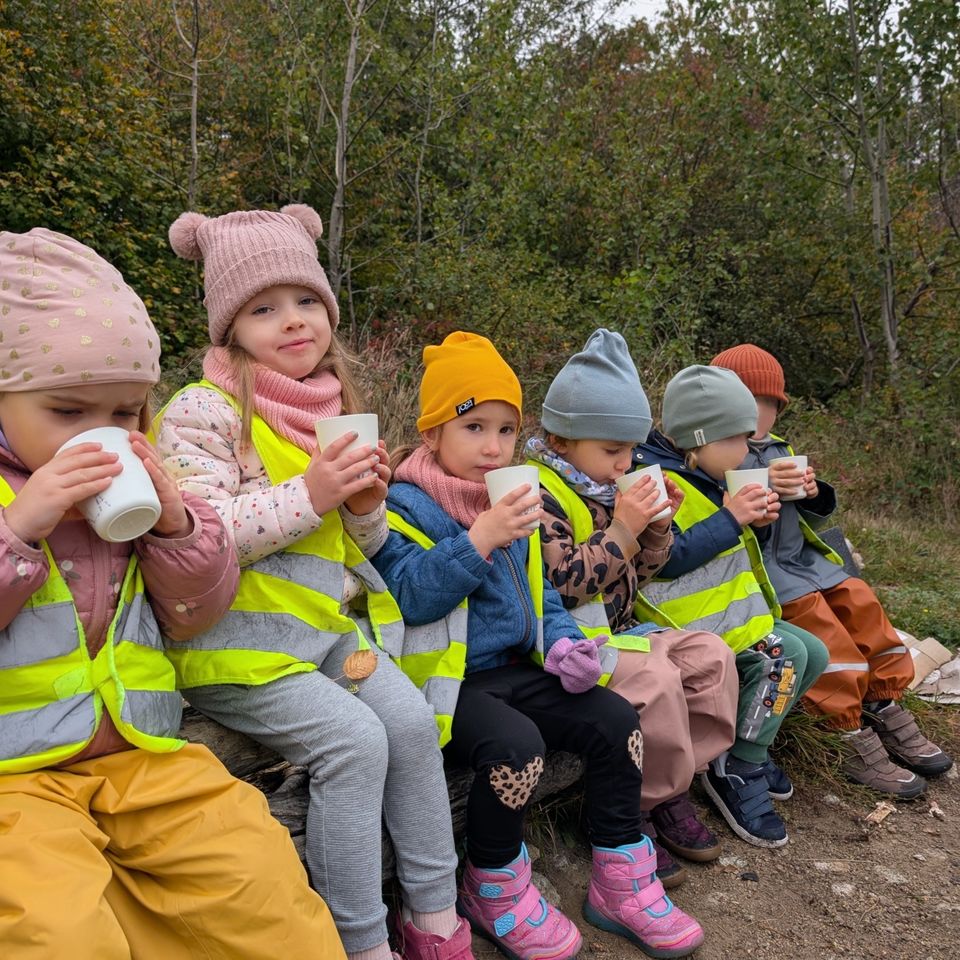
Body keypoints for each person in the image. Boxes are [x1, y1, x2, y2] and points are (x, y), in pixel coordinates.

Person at [0, 227, 344, 959]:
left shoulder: (143, 481)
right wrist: (22, 529)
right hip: (13, 778)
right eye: (69, 412)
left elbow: (196, 611)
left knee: (259, 882)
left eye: (125, 414)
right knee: (55, 930)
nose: (104, 435)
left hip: (142, 754)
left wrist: (178, 526)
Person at [155, 205, 470, 960]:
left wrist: (365, 511)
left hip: (326, 639)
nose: (292, 321)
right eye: (263, 308)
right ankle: (360, 943)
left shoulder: (334, 408)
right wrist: (315, 494)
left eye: (306, 302)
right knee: (356, 742)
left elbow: (352, 544)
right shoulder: (204, 410)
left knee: (412, 723)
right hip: (235, 652)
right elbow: (200, 536)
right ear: (230, 326)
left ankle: (434, 919)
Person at [371, 331, 704, 960]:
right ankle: (491, 884)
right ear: (432, 433)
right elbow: (411, 596)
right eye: (473, 428)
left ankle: (620, 876)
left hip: (516, 668)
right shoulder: (400, 505)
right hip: (445, 680)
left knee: (614, 718)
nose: (493, 447)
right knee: (516, 747)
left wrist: (563, 642)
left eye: (504, 429)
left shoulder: (512, 494)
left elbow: (541, 595)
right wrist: (478, 540)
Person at [527, 329, 738, 887]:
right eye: (612, 451)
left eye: (632, 451)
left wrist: (655, 532)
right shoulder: (539, 492)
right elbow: (567, 585)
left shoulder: (605, 486)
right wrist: (624, 526)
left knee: (710, 658)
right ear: (559, 439)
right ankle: (634, 808)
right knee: (659, 678)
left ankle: (677, 784)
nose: (625, 465)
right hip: (571, 647)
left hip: (622, 630)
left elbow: (635, 576)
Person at [710, 344, 952, 796]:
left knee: (861, 603)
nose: (757, 416)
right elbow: (723, 518)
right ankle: (845, 728)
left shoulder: (780, 449)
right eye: (747, 404)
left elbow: (811, 520)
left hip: (805, 562)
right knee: (821, 628)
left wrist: (813, 492)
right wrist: (757, 493)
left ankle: (883, 698)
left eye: (767, 406)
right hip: (766, 574)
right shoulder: (720, 457)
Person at [637, 365, 829, 848]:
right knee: (784, 657)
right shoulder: (656, 481)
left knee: (814, 652)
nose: (748, 451)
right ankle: (736, 765)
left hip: (728, 617)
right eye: (739, 440)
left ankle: (751, 746)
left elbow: (726, 553)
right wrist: (731, 518)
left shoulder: (706, 471)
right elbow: (666, 561)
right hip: (680, 625)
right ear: (698, 441)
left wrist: (759, 518)